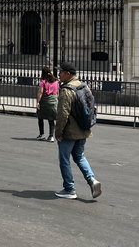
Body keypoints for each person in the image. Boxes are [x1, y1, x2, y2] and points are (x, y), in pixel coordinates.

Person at [54, 61, 102, 200]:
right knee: (80, 157)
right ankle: (92, 180)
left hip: (69, 132)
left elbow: (63, 114)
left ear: (68, 74)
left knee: (64, 159)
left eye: (61, 72)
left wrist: (58, 133)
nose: (58, 74)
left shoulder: (66, 90)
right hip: (84, 129)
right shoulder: (84, 86)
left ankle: (69, 188)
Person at [36, 66, 59, 142]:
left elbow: (40, 92)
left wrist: (38, 102)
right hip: (53, 100)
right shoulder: (56, 81)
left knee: (40, 117)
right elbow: (58, 93)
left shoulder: (43, 81)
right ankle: (51, 135)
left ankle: (41, 134)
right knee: (51, 118)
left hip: (45, 100)